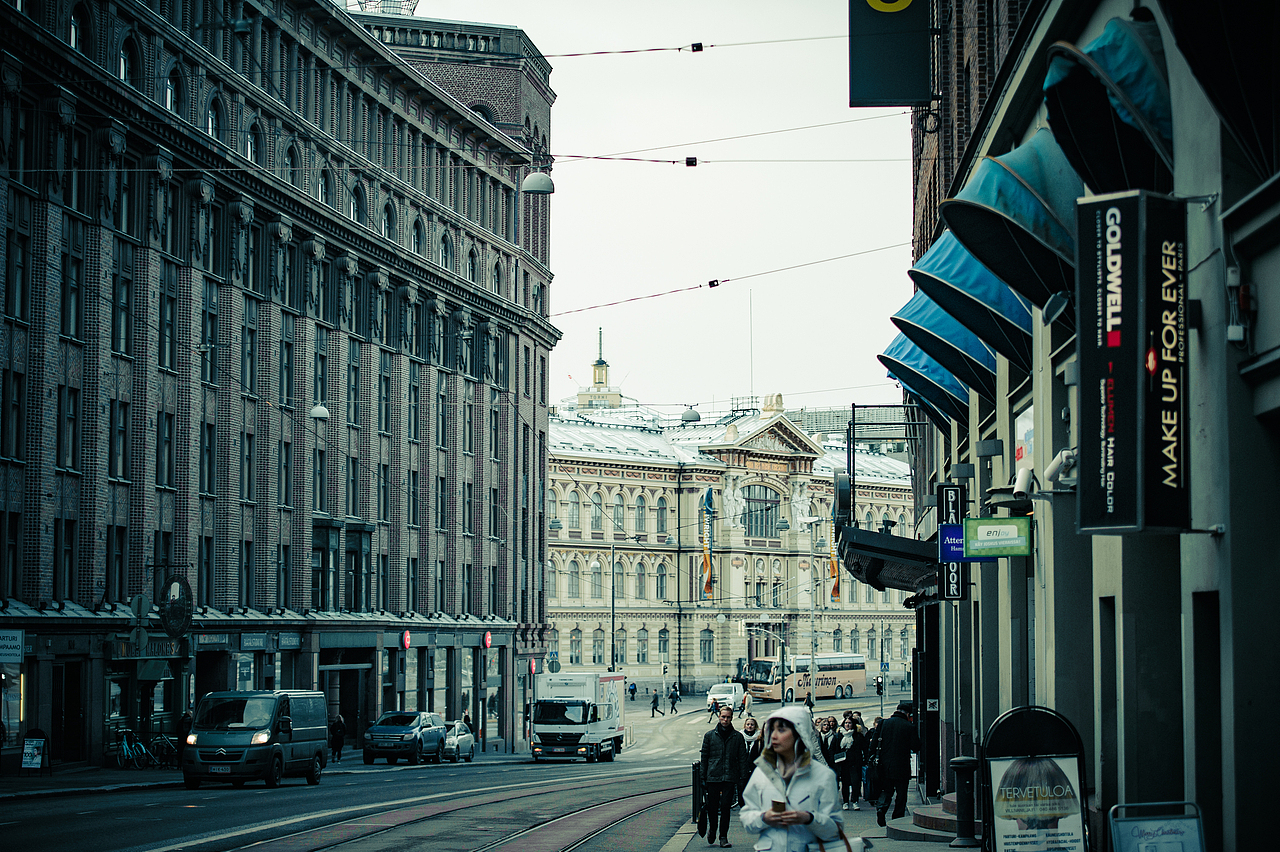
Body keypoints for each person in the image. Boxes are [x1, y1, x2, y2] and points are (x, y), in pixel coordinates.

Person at [740, 706, 843, 852]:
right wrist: (763, 818)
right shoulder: (762, 772)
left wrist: (809, 818)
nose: (773, 736)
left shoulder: (823, 776)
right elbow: (746, 816)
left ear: (799, 733)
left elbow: (835, 830)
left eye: (781, 730)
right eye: (772, 729)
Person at [701, 704, 748, 848]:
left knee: (726, 808)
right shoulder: (709, 735)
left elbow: (742, 758)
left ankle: (723, 837)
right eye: (723, 717)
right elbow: (704, 756)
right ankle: (713, 829)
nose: (725, 720)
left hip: (730, 776)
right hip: (713, 776)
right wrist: (703, 777)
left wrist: (742, 779)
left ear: (732, 718)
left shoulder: (737, 737)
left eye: (728, 717)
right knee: (712, 807)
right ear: (719, 717)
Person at [875, 702, 922, 827]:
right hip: (902, 765)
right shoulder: (909, 726)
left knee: (887, 790)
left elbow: (874, 743)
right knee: (901, 793)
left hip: (884, 765)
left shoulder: (883, 723)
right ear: (907, 713)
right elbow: (916, 746)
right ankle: (897, 818)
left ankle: (882, 808)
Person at [834, 716, 864, 810]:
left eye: (849, 723)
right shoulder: (839, 735)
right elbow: (835, 748)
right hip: (843, 762)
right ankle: (845, 802)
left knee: (855, 782)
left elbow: (863, 748)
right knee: (845, 783)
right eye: (846, 723)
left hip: (855, 762)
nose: (847, 725)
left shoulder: (857, 735)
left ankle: (855, 801)